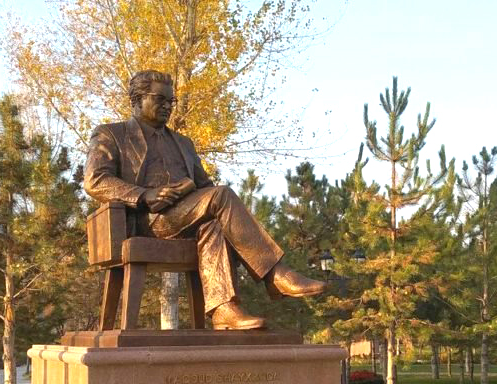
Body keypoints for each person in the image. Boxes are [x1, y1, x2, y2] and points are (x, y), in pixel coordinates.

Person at [84, 69, 326, 330]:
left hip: (186, 217)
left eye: (171, 101)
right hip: (145, 220)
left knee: (214, 224)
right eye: (160, 99)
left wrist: (189, 191)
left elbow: (205, 188)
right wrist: (144, 195)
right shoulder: (111, 134)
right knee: (221, 195)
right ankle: (274, 273)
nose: (168, 106)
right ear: (137, 99)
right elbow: (95, 180)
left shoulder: (183, 143)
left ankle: (223, 309)